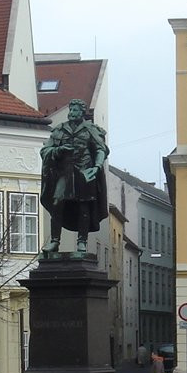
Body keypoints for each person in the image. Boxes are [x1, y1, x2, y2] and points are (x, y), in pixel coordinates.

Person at [40, 99, 109, 256]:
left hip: (84, 172)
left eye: (76, 110)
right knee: (57, 202)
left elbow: (101, 149)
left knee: (83, 207)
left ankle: (82, 241)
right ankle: (55, 241)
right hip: (64, 173)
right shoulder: (59, 130)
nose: (72, 113)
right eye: (71, 110)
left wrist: (96, 167)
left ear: (82, 113)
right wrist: (58, 151)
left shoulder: (91, 130)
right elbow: (45, 151)